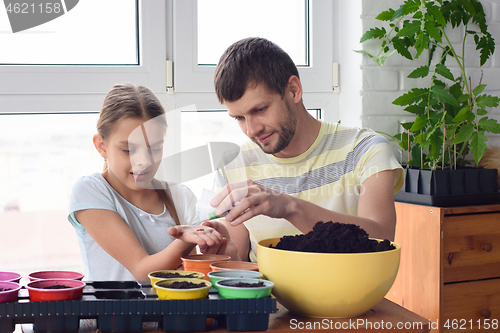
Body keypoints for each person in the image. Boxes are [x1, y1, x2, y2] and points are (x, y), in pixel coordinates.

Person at [211, 37, 405, 262]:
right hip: (267, 297)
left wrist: (291, 208)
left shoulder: (364, 150)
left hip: (349, 296)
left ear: (293, 90)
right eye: (239, 118)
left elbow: (381, 240)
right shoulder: (233, 165)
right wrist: (218, 248)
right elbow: (238, 265)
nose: (252, 129)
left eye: (260, 109)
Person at [68, 83, 238, 281]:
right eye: (129, 150)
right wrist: (185, 240)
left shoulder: (180, 195)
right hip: (111, 312)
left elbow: (188, 279)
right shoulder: (90, 190)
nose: (144, 161)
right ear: (101, 146)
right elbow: (141, 270)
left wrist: (221, 249)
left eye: (155, 148)